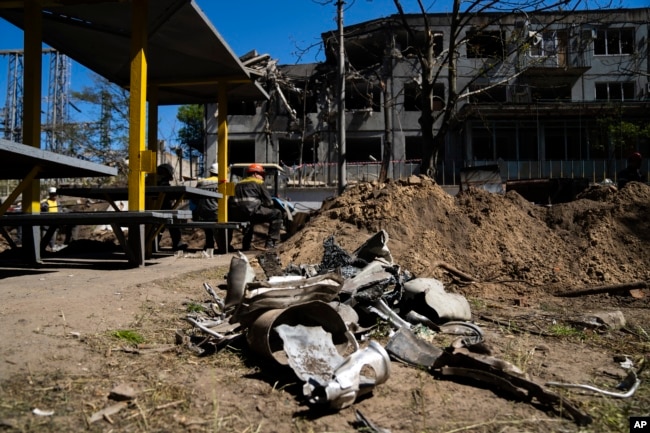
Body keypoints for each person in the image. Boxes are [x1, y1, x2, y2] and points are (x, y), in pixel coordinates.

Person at [233, 163, 283, 250]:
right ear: (255, 174)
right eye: (262, 175)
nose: (263, 177)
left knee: (250, 222)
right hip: (253, 212)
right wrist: (266, 206)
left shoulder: (237, 184)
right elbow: (269, 202)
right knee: (277, 214)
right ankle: (270, 243)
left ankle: (246, 245)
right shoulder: (259, 183)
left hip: (238, 215)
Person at [156, 163, 187, 251]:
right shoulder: (160, 184)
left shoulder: (150, 182)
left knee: (168, 221)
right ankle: (177, 243)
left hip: (159, 209)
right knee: (173, 221)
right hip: (161, 209)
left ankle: (152, 244)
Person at [194, 163, 221, 255]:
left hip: (203, 212)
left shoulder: (201, 182)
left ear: (210, 172)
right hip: (217, 212)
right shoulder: (221, 182)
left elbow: (194, 198)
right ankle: (223, 246)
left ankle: (209, 245)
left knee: (208, 230)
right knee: (222, 227)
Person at [40, 187, 60, 251]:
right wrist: (43, 207)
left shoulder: (58, 203)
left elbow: (60, 210)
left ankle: (52, 248)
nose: (54, 196)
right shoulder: (45, 202)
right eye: (53, 194)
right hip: (46, 225)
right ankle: (43, 250)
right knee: (44, 238)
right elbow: (41, 209)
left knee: (53, 238)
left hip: (55, 223)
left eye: (55, 194)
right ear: (50, 194)